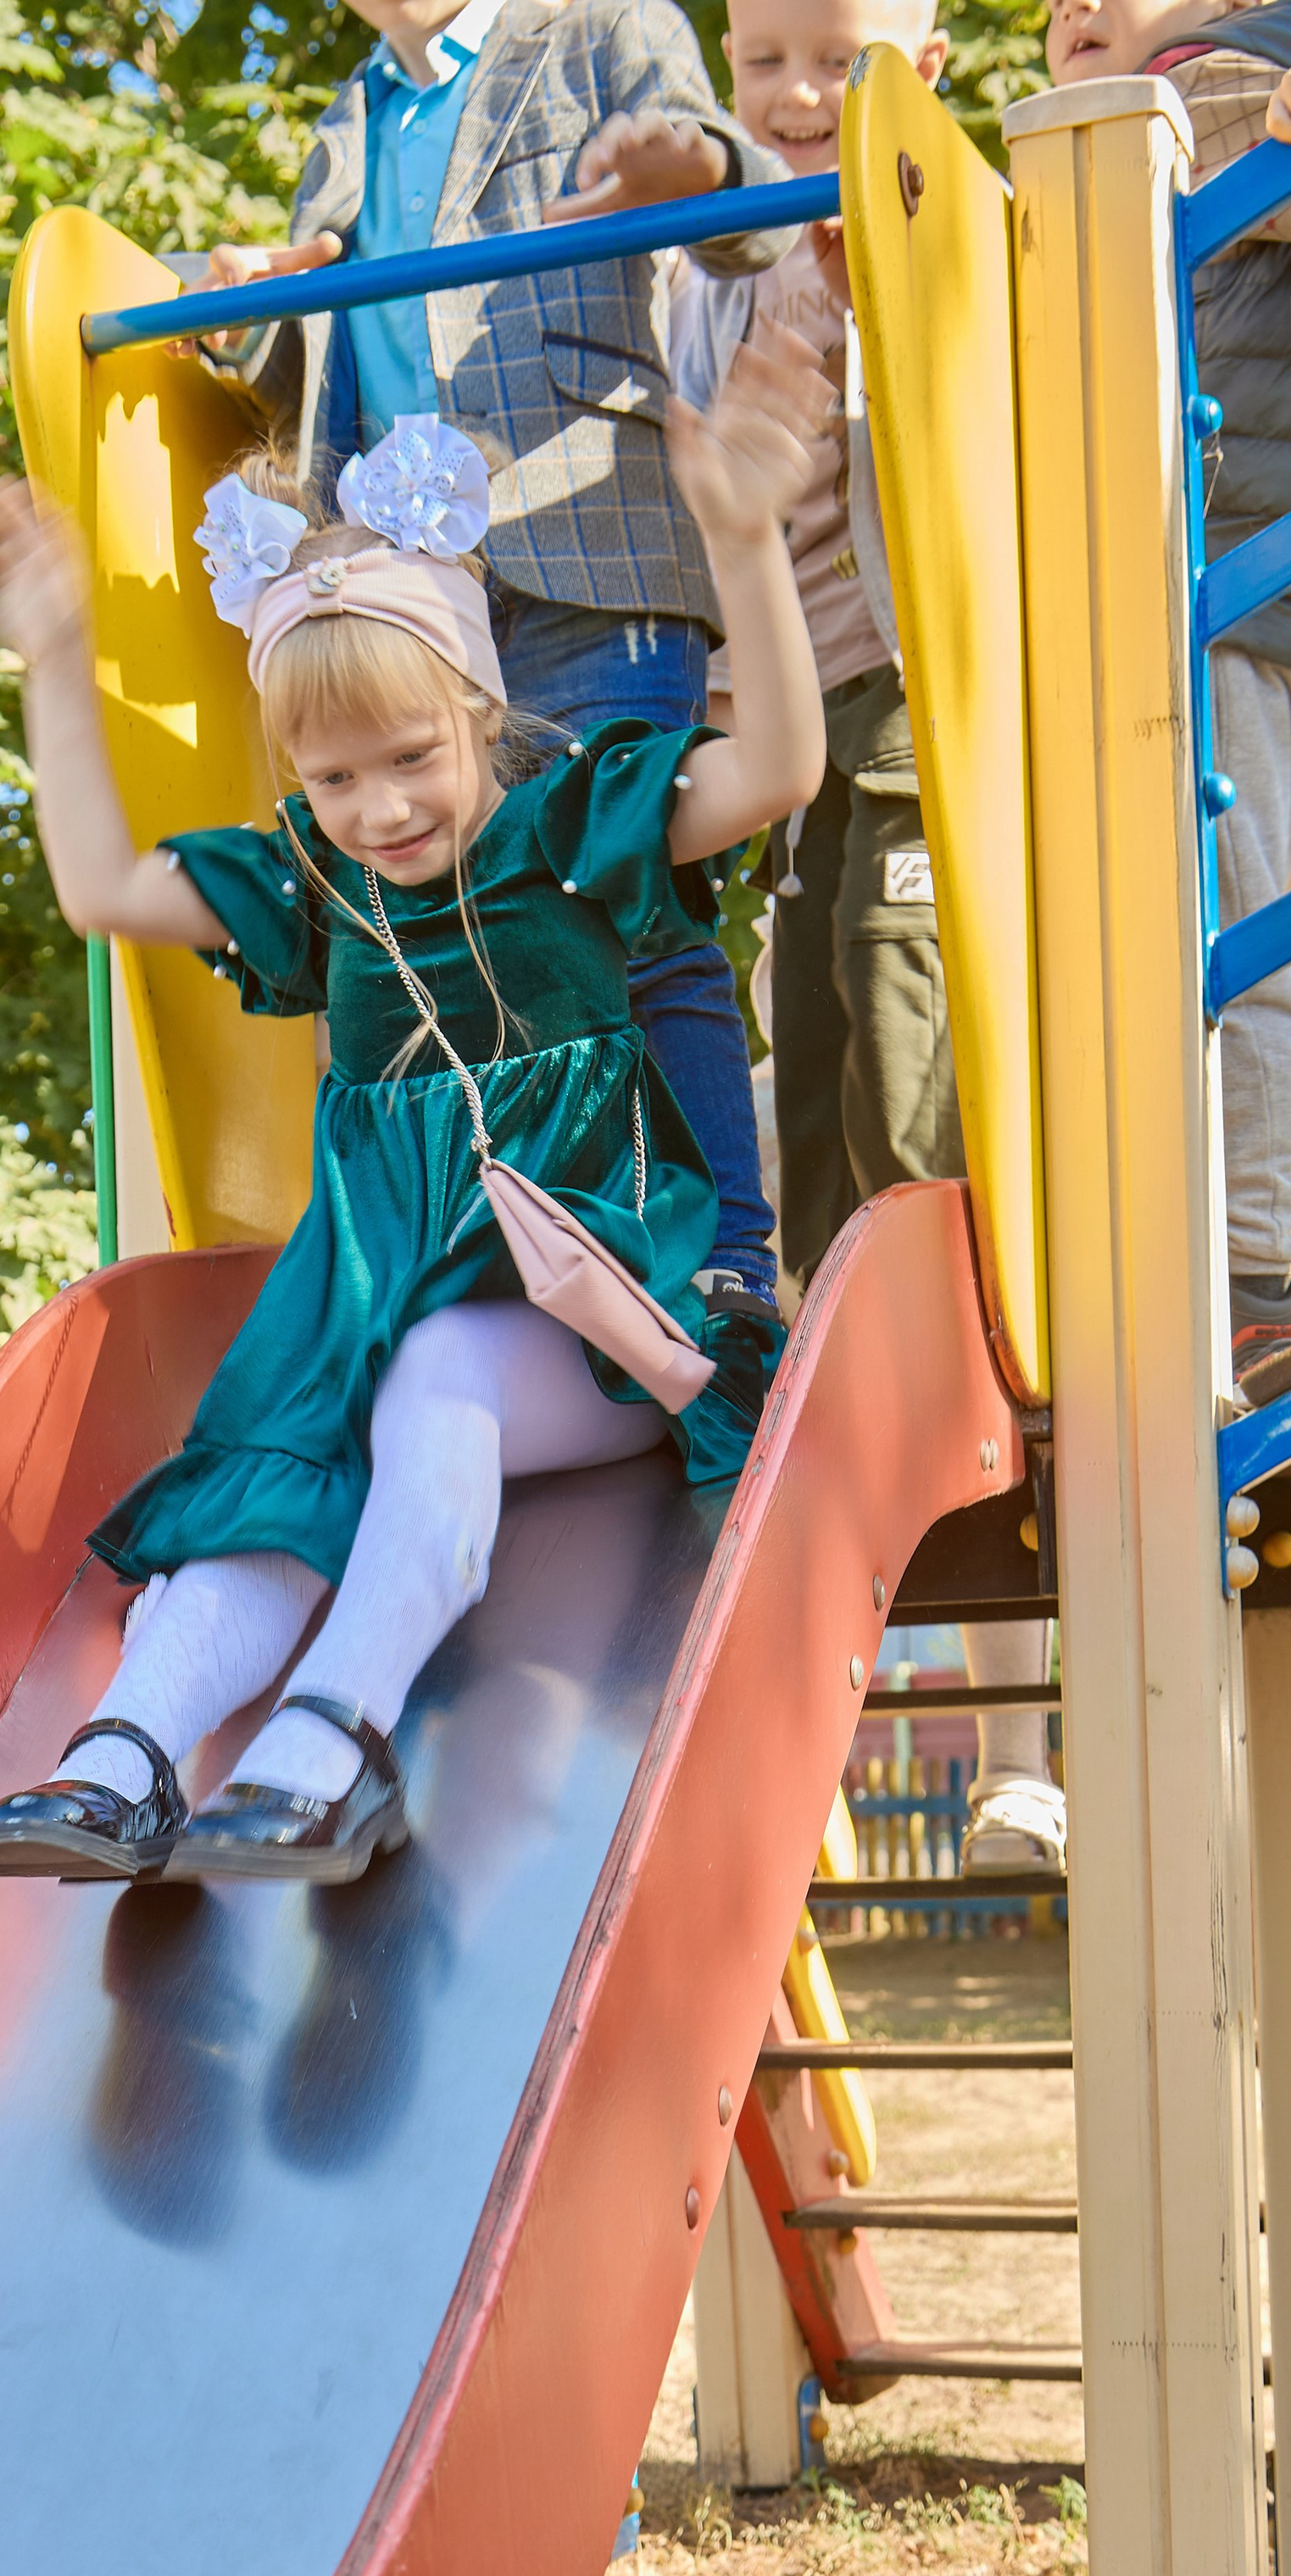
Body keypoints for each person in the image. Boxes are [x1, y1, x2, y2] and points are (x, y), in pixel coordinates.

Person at [0, 349, 828, 1889]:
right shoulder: (317, 886)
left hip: (601, 1319)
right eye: (335, 774)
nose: (380, 810)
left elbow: (776, 768)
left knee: (435, 1373)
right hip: (370, 1309)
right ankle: (132, 1751)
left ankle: (337, 1741)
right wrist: (49, 658)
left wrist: (748, 542)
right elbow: (101, 888)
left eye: (413, 759)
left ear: (479, 710)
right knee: (280, 1437)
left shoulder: (566, 828)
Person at [185, 0, 803, 1419]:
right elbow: (329, 347)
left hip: (584, 546)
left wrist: (687, 177)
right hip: (412, 586)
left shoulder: (598, 27)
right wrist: (252, 316)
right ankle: (506, 1264)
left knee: (627, 898)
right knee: (448, 932)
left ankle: (725, 1268)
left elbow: (746, 213)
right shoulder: (354, 117)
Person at [672, 0, 1061, 1872]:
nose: (794, 97)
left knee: (913, 1149)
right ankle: (842, 1677)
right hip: (799, 743)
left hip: (917, 714)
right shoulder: (726, 251)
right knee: (818, 1163)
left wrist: (812, 232)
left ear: (905, 55)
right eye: (760, 64)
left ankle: (1008, 1725)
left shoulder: (926, 208)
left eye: (833, 60)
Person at [1124, 2, 1291, 1402]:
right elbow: (1209, 128)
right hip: (1242, 584)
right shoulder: (1212, 57)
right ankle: (1253, 1287)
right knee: (1256, 941)